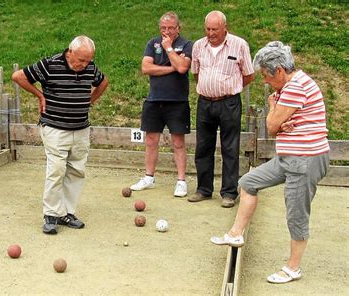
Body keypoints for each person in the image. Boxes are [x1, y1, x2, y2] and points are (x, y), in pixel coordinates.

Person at [211, 41, 330, 284]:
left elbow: (272, 126)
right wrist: (275, 115)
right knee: (249, 181)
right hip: (288, 158)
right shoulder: (285, 87)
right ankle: (235, 234)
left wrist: (274, 111)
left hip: (305, 159)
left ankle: (293, 268)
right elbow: (275, 128)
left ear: (279, 70)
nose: (264, 81)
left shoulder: (296, 86)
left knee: (296, 214)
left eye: (266, 75)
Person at [12, 35, 108, 235]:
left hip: (81, 128)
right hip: (55, 127)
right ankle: (51, 214)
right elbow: (18, 76)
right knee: (56, 170)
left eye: (88, 60)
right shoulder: (50, 64)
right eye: (81, 60)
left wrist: (90, 101)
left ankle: (67, 212)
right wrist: (39, 95)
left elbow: (103, 81)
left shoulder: (90, 67)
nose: (85, 64)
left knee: (76, 170)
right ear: (70, 52)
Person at [188, 11, 254, 208]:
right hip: (205, 102)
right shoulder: (198, 46)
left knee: (230, 148)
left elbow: (249, 75)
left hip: (229, 103)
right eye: (207, 29)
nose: (210, 33)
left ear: (225, 27)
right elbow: (196, 73)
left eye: (214, 29)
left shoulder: (239, 45)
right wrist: (210, 88)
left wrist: (229, 89)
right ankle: (203, 189)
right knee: (203, 147)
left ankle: (229, 193)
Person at [129, 11, 192, 198]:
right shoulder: (152, 43)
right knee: (150, 140)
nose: (166, 32)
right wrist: (171, 68)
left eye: (170, 28)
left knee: (178, 142)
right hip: (154, 99)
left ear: (178, 28)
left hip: (177, 101)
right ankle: (149, 177)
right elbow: (146, 68)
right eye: (163, 28)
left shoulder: (187, 44)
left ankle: (181, 181)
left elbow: (182, 67)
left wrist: (169, 49)